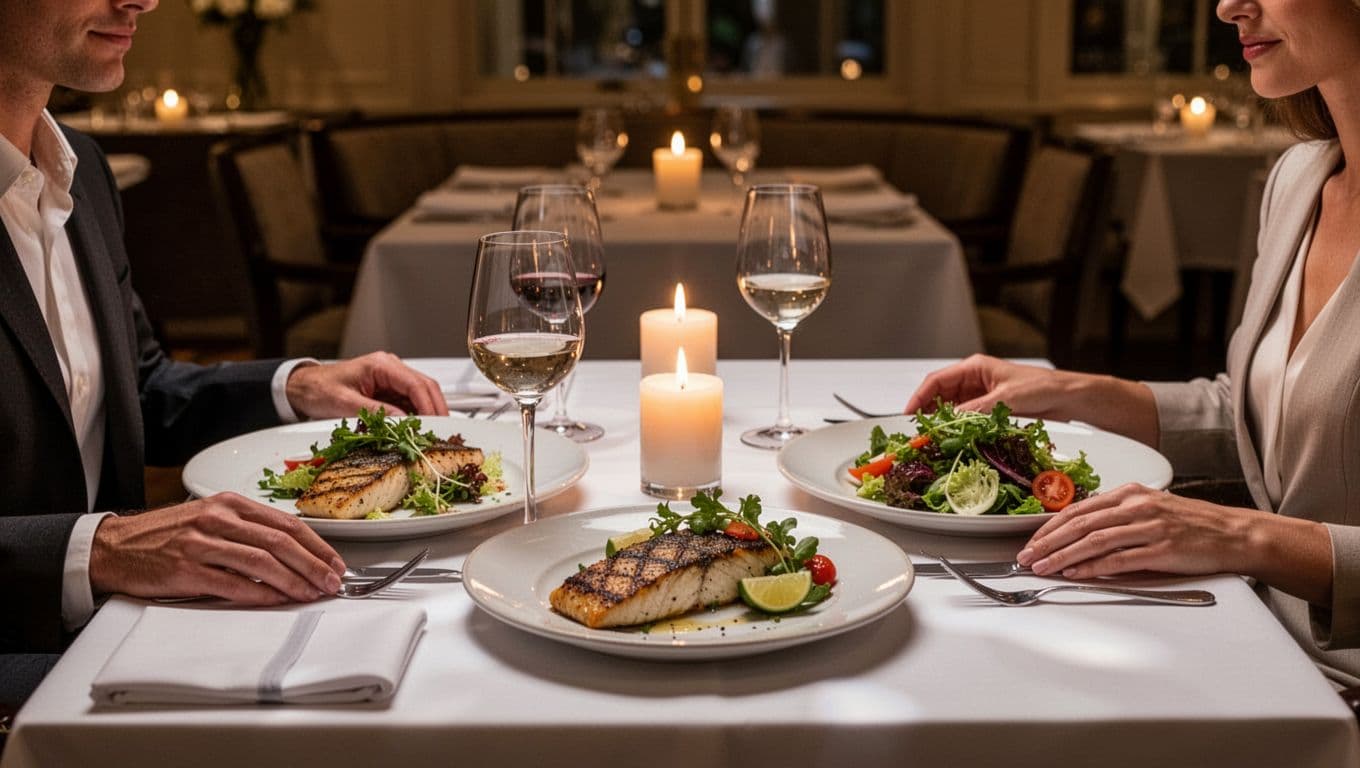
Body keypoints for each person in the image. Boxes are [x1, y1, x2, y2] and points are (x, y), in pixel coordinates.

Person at [0, 0, 450, 713]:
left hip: (118, 630)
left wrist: (296, 384)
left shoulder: (80, 167)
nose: (142, 1)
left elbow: (140, 388)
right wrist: (101, 550)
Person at [907, 0, 1360, 686]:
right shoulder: (1301, 178)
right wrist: (1077, 392)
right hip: (1251, 632)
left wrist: (1242, 535)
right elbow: (1275, 419)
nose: (1229, 6)